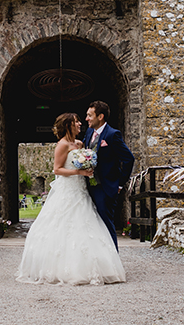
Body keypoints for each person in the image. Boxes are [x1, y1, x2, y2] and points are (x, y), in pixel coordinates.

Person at [16, 112, 126, 286]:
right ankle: (64, 269)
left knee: (87, 223)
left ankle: (97, 266)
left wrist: (89, 166)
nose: (81, 124)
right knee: (63, 225)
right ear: (69, 125)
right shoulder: (62, 145)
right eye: (76, 122)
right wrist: (79, 172)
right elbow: (57, 170)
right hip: (68, 189)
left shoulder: (80, 143)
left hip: (81, 190)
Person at [84, 100, 135, 250]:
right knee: (91, 224)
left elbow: (128, 159)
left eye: (89, 115)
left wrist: (119, 184)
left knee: (105, 223)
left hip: (105, 188)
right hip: (89, 187)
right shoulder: (88, 133)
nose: (86, 119)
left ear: (100, 117)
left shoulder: (113, 135)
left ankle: (113, 261)